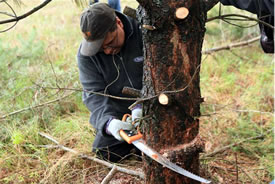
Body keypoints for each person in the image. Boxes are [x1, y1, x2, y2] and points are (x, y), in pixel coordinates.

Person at [76, 3, 143, 162]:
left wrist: (143, 105)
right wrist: (109, 123)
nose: (107, 51)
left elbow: (162, 74)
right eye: (100, 48)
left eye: (109, 43)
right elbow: (93, 94)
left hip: (155, 108)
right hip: (121, 116)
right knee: (104, 151)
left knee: (156, 151)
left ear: (118, 24)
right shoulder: (86, 56)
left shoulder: (142, 31)